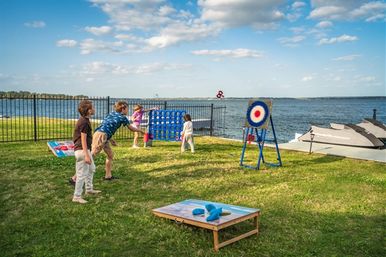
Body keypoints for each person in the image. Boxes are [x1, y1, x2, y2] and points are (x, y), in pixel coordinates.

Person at [69, 100, 144, 184]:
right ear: (123, 108)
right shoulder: (123, 117)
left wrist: (110, 139)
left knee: (110, 155)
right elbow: (131, 128)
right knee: (91, 156)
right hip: (101, 136)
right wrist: (140, 131)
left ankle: (108, 176)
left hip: (103, 135)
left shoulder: (111, 114)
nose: (128, 111)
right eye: (127, 109)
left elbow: (107, 126)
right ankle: (74, 178)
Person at [72, 100, 101, 204]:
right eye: (92, 107)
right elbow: (83, 139)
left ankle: (89, 189)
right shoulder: (83, 122)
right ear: (89, 111)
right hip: (82, 151)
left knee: (91, 169)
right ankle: (77, 196)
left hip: (85, 150)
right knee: (81, 174)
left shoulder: (85, 120)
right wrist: (86, 155)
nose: (94, 109)